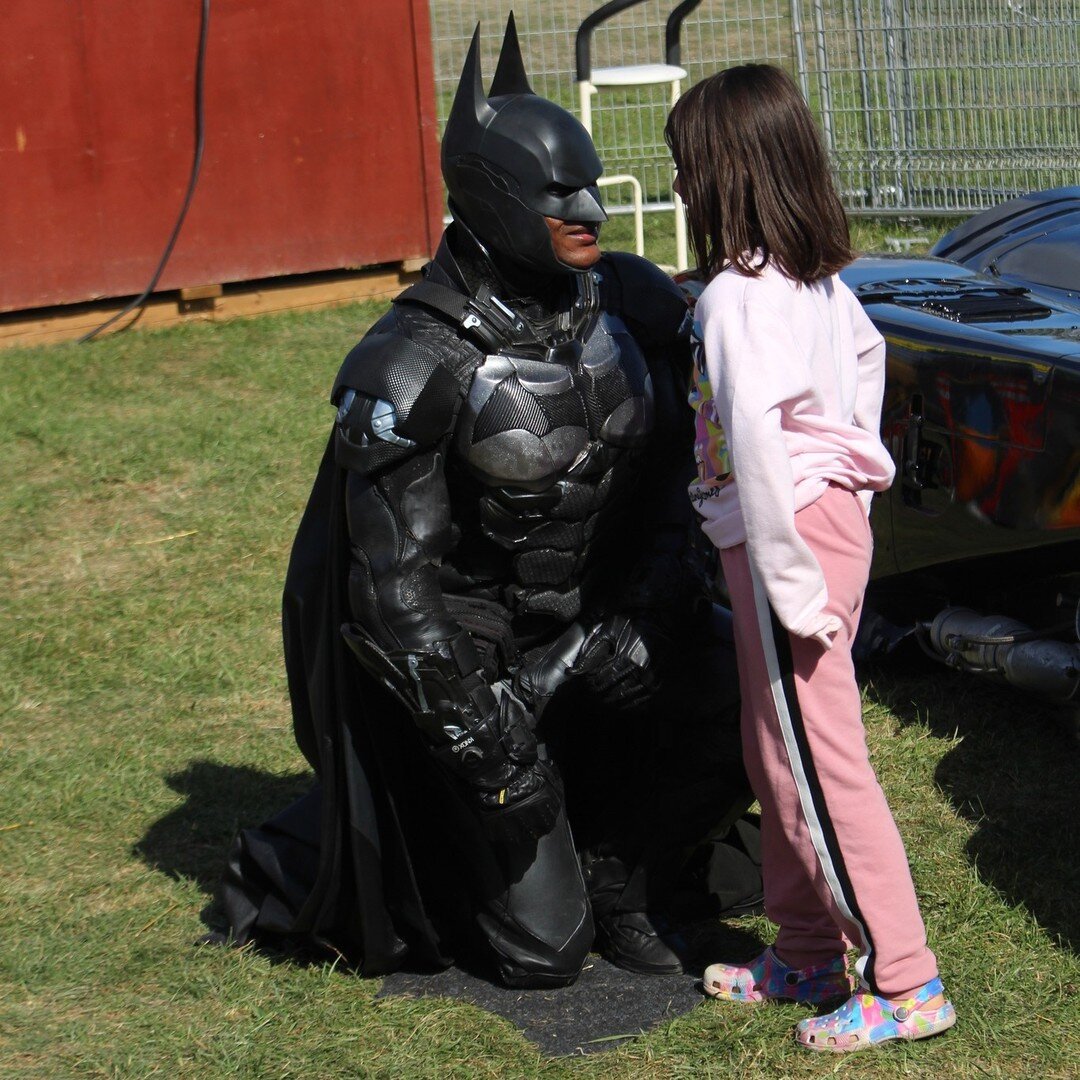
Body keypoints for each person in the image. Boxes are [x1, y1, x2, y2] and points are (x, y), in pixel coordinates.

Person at [218, 17, 762, 990]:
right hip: (483, 671)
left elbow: (683, 487)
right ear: (493, 197)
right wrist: (491, 742)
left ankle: (633, 877)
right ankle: (495, 838)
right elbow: (390, 594)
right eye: (560, 194)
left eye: (589, 182)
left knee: (749, 691)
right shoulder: (411, 365)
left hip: (603, 626)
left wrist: (648, 618)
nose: (590, 206)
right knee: (543, 956)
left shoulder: (633, 303)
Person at [664, 65, 957, 1051]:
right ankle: (803, 951)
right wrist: (851, 473)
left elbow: (755, 443)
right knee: (772, 750)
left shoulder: (738, 301)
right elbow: (867, 363)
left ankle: (907, 981)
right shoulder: (811, 282)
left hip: (784, 540)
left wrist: (792, 580)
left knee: (823, 762)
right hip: (805, 527)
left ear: (723, 175)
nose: (676, 189)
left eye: (684, 168)